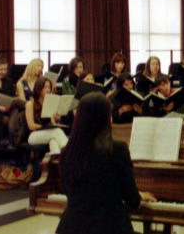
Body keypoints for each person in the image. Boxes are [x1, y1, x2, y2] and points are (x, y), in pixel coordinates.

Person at [56, 92, 156, 234]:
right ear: (105, 119)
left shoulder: (66, 152)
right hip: (109, 227)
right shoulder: (117, 149)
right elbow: (132, 201)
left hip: (71, 227)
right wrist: (140, 195)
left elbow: (68, 191)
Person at [25, 77, 68, 153]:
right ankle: (69, 152)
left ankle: (56, 162)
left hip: (48, 133)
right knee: (57, 132)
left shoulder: (49, 103)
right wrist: (45, 127)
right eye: (45, 87)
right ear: (39, 88)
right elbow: (31, 126)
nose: (48, 90)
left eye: (49, 87)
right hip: (33, 135)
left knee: (53, 141)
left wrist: (56, 119)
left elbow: (52, 123)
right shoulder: (30, 104)